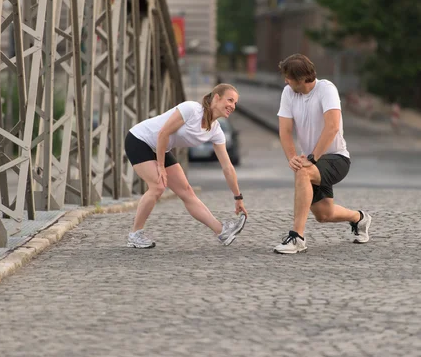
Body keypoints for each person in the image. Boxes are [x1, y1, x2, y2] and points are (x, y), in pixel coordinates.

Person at [124, 83, 248, 248]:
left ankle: (222, 231)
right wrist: (160, 166)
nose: (232, 106)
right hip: (139, 140)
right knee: (158, 186)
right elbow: (163, 133)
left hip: (160, 147)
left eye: (235, 103)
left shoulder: (216, 131)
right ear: (216, 98)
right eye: (230, 100)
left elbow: (227, 167)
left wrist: (238, 197)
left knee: (187, 191)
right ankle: (135, 234)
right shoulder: (191, 109)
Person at [273, 54, 372, 254]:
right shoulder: (288, 93)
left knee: (303, 172)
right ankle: (359, 218)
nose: (286, 81)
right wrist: (293, 157)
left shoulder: (326, 89)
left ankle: (297, 237)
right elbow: (284, 130)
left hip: (336, 158)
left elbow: (332, 126)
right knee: (323, 214)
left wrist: (311, 158)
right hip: (314, 161)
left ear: (301, 78)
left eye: (289, 77)